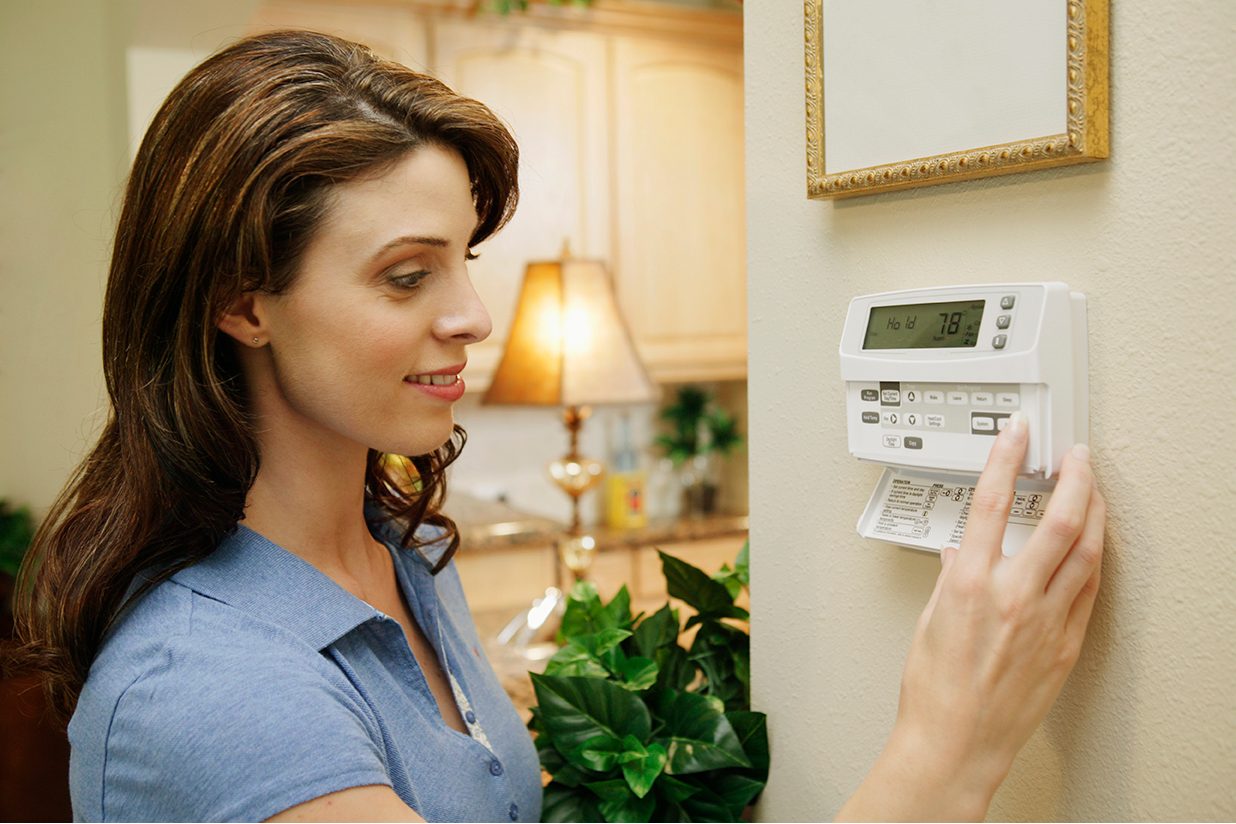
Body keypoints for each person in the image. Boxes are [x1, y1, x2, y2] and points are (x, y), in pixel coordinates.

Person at [8, 29, 1105, 823]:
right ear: (243, 301)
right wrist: (945, 749)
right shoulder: (209, 692)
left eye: (463, 260)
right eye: (405, 275)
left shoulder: (401, 556)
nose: (472, 315)